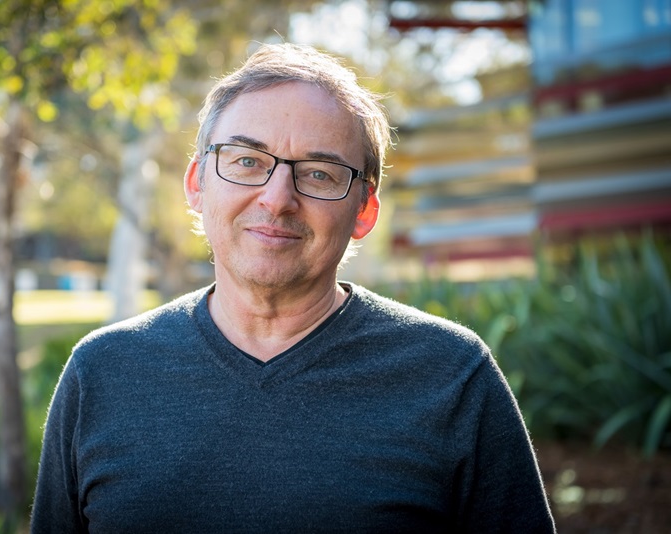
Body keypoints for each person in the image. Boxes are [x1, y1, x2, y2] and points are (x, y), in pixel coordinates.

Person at [31, 43, 555, 533]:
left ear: (364, 211)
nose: (277, 198)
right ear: (197, 183)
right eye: (246, 161)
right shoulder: (101, 372)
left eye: (320, 174)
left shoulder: (452, 377)